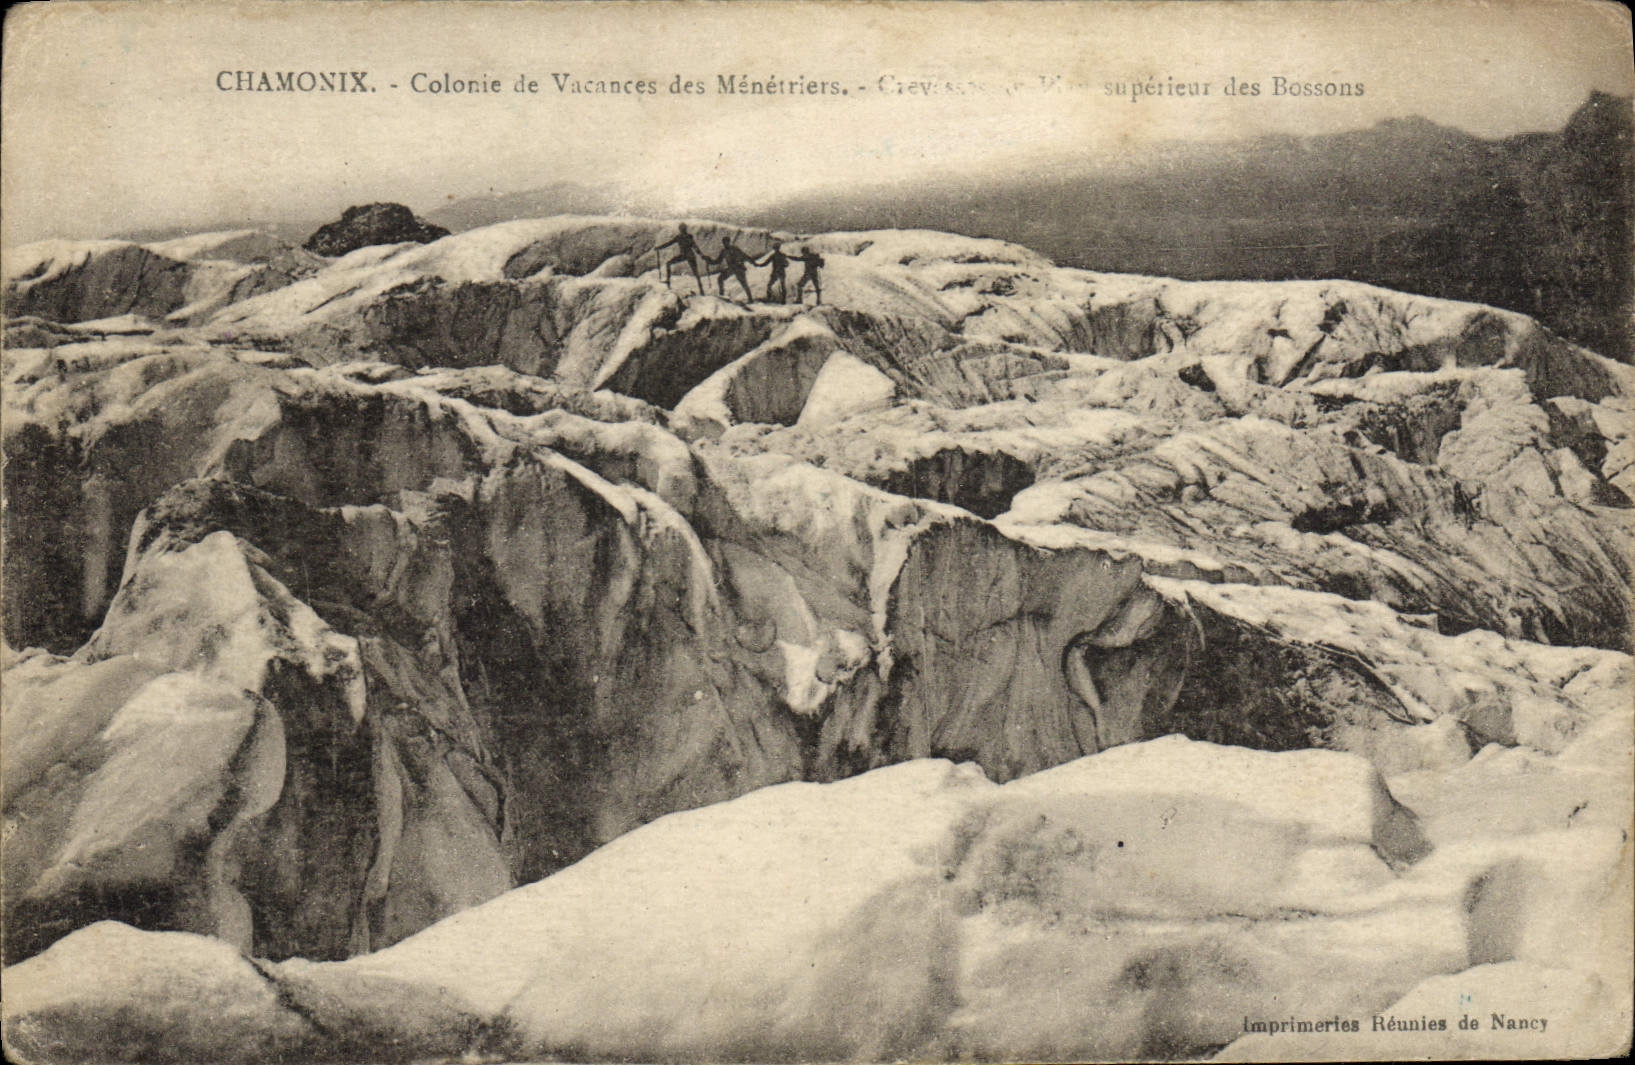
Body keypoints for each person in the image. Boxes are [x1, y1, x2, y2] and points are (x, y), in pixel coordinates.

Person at [654, 224, 706, 294]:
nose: (682, 230)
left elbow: (669, 243)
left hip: (685, 255)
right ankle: (701, 289)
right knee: (696, 272)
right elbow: (695, 247)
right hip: (689, 255)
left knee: (669, 263)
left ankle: (668, 282)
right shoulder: (688, 237)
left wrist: (659, 247)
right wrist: (701, 254)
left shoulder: (680, 237)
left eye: (682, 229)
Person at [712, 235, 755, 302]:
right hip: (731, 268)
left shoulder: (735, 249)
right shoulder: (723, 251)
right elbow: (718, 261)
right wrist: (709, 260)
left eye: (726, 242)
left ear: (729, 242)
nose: (725, 244)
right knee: (720, 279)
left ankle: (750, 299)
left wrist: (752, 262)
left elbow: (744, 256)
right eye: (724, 242)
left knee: (744, 283)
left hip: (739, 268)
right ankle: (722, 295)